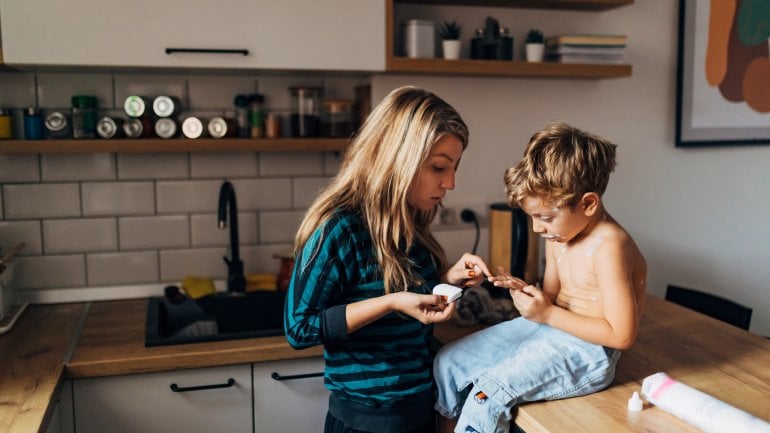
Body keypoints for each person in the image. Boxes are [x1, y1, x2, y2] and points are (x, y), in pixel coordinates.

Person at [284, 85, 492, 433]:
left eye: (454, 167)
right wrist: (390, 303)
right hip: (366, 425)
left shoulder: (411, 222)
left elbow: (404, 299)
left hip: (420, 414)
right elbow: (298, 328)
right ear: (398, 157)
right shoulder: (340, 229)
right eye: (439, 167)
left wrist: (448, 280)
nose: (451, 183)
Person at [433, 121, 647, 433]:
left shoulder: (609, 246)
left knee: (485, 394)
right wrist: (525, 293)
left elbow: (622, 335)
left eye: (545, 218)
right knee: (447, 362)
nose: (537, 228)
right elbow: (552, 299)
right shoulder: (559, 235)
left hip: (588, 351)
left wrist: (546, 313)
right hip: (549, 329)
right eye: (532, 217)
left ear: (588, 204)